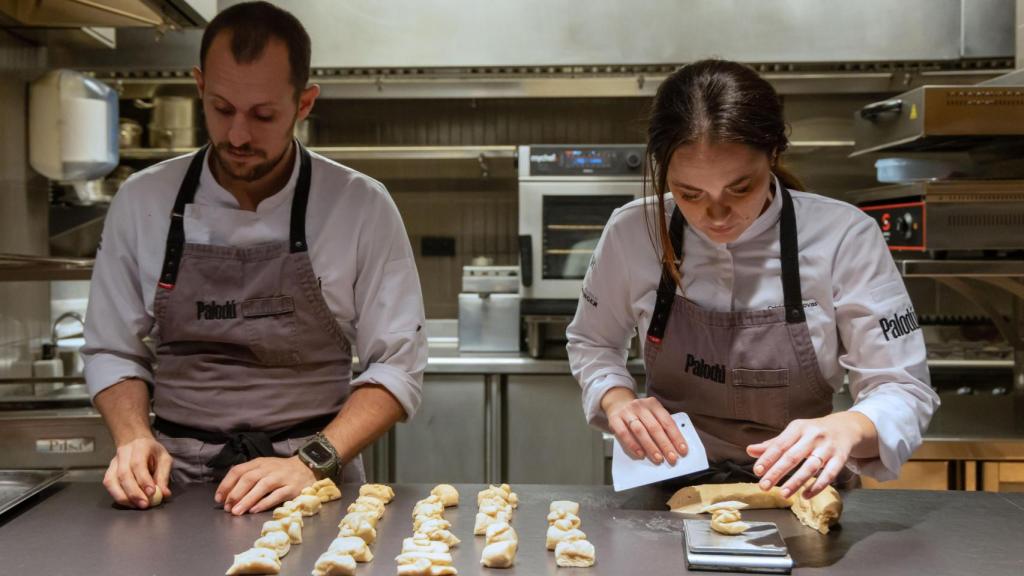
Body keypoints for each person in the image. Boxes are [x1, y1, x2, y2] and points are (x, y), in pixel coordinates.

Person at [82, 1, 427, 514]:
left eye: (263, 115)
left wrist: (309, 462)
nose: (238, 136)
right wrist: (133, 438)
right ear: (199, 85)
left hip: (313, 479)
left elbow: (398, 367)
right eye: (221, 109)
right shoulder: (142, 200)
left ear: (304, 103)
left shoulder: (360, 205)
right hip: (173, 482)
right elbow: (112, 349)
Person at [566, 59, 939, 499]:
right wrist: (617, 398)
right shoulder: (633, 232)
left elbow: (902, 388)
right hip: (665, 489)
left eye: (739, 188)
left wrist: (850, 426)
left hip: (802, 492)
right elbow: (593, 342)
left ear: (774, 155)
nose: (717, 216)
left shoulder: (843, 236)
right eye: (690, 194)